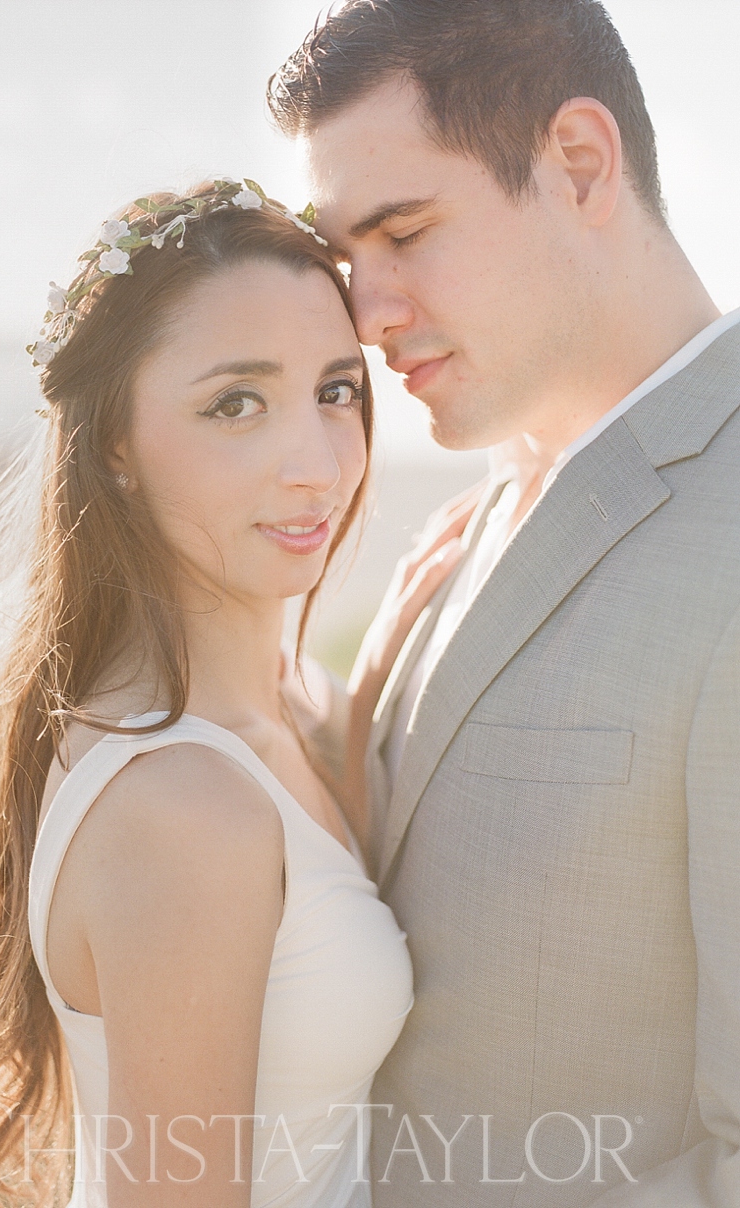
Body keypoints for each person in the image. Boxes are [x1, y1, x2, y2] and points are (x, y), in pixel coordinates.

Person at [268, 1, 740, 1205]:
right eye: (347, 259)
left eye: (406, 230)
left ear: (579, 163)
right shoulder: (463, 520)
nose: (366, 316)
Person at [0, 181, 417, 1208]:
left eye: (337, 390)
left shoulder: (291, 712)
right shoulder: (181, 801)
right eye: (236, 403)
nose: (317, 464)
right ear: (115, 446)